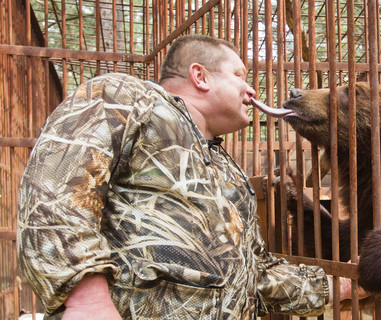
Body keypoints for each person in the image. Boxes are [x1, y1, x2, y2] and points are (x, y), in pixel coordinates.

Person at [17, 34, 355, 319]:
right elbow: (54, 190)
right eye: (239, 75)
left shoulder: (227, 171)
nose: (251, 90)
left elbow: (257, 273)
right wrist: (87, 300)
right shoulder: (127, 98)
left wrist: (346, 284)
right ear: (201, 76)